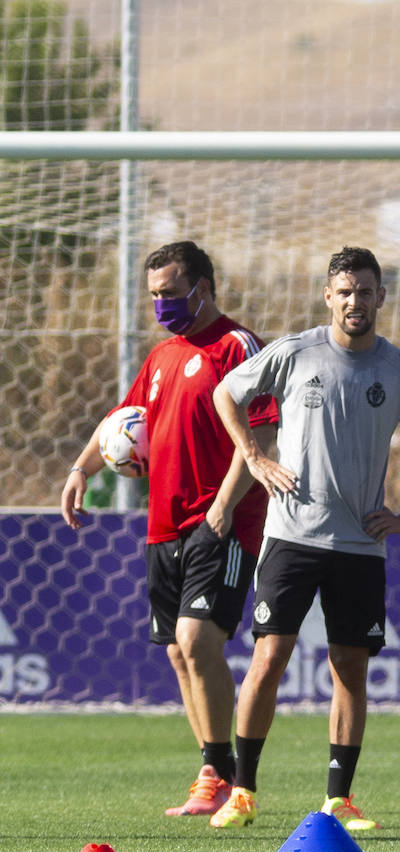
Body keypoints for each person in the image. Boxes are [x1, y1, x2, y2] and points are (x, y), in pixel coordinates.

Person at [209, 246, 400, 832]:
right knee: (269, 657)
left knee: (350, 669)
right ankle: (242, 791)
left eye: (365, 292)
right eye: (344, 292)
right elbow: (226, 395)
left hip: (361, 546)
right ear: (328, 295)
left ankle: (338, 800)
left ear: (380, 298)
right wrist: (254, 457)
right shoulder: (294, 353)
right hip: (291, 535)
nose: (355, 302)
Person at [59, 240, 278, 818]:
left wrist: (227, 504)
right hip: (164, 526)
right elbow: (120, 424)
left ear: (203, 287)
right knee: (179, 655)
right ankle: (211, 769)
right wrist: (81, 469)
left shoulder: (237, 346)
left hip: (221, 517)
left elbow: (261, 435)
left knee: (197, 638)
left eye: (171, 293)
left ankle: (219, 773)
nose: (162, 304)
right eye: (155, 295)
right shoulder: (160, 358)